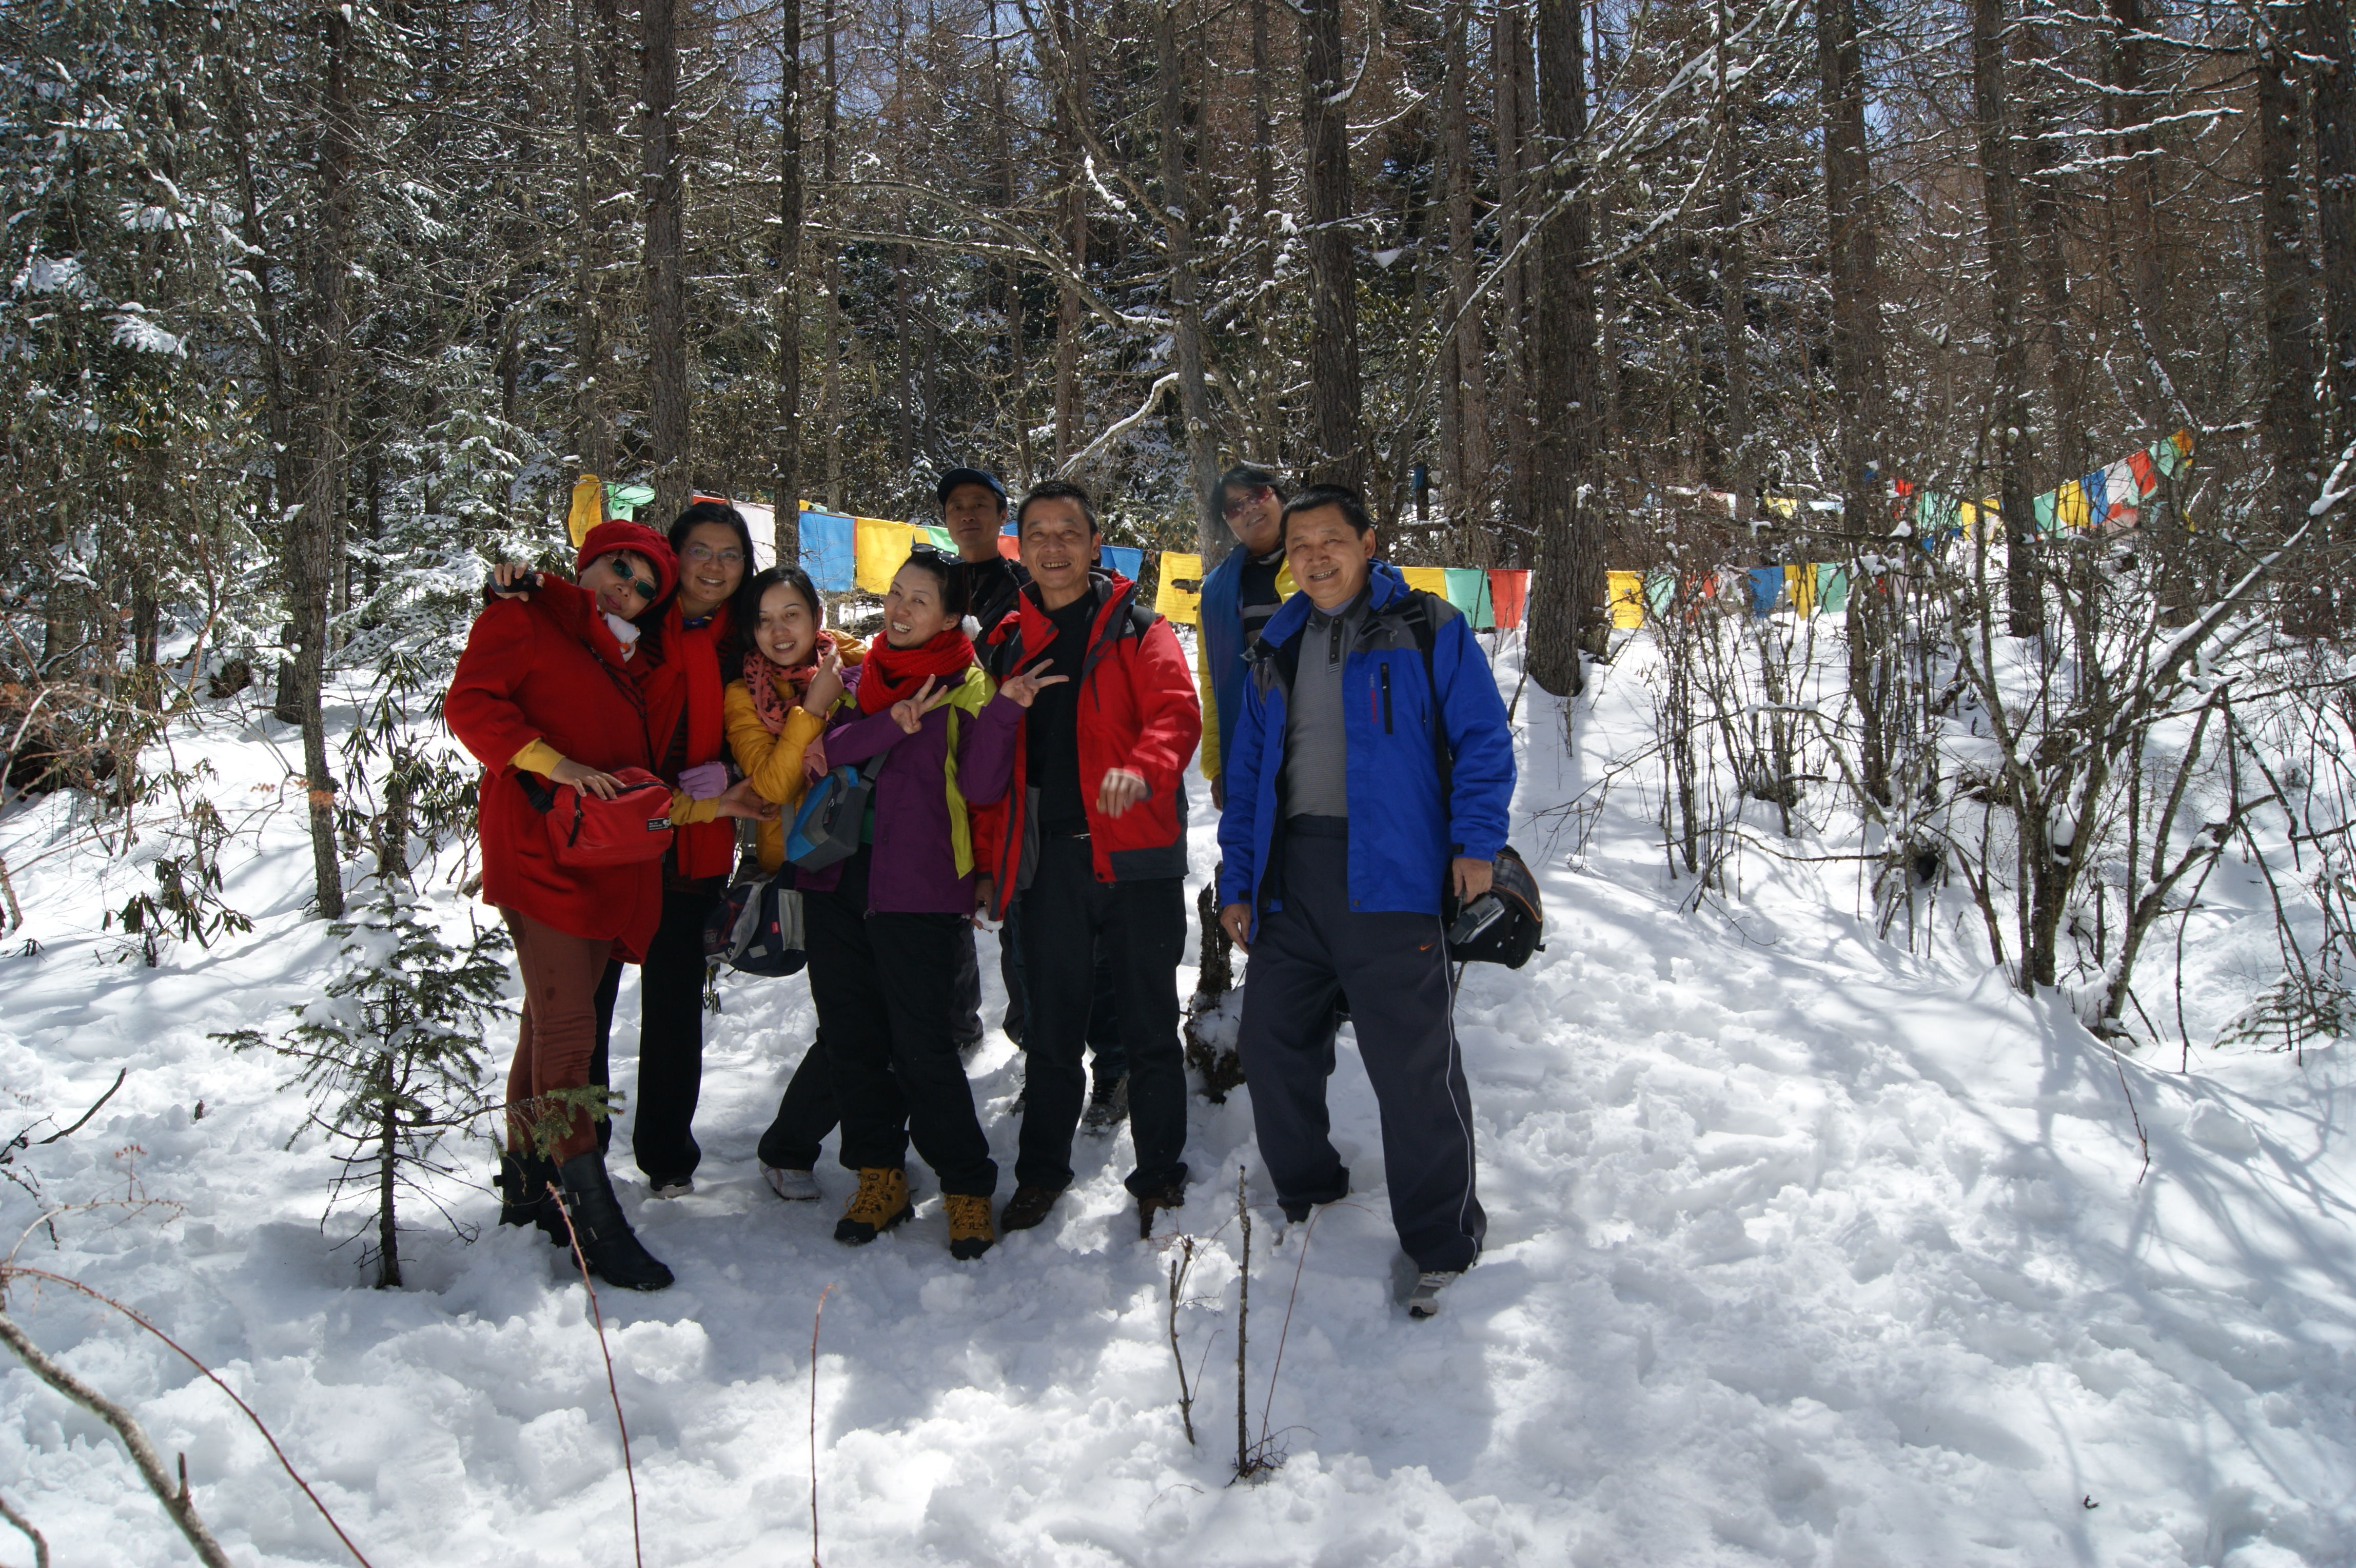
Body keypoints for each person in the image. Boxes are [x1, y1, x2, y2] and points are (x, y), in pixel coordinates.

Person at [1214, 484, 1516, 1320]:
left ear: (1367, 542)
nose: (1314, 555)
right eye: (1301, 543)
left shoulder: (1426, 628)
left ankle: (1443, 1241)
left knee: (1412, 1071)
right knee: (1271, 1046)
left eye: (1331, 539)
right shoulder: (1275, 642)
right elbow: (1245, 778)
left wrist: (1475, 845)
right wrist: (1237, 880)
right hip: (1292, 881)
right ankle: (1311, 1197)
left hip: (1394, 876)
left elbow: (1484, 741)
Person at [449, 520, 768, 1291]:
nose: (627, 589)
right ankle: (596, 1224)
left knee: (540, 1037)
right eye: (619, 571)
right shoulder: (523, 615)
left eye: (642, 587)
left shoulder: (623, 655)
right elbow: (473, 707)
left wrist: (715, 804)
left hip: (598, 863)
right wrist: (556, 769)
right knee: (567, 1037)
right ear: (590, 562)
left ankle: (529, 1199)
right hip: (539, 855)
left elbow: (631, 791)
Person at [801, 549, 1055, 1260]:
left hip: (920, 889)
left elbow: (979, 788)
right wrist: (895, 723)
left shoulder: (970, 687)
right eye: (895, 595)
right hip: (838, 880)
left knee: (924, 1048)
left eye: (920, 600)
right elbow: (828, 747)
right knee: (852, 1040)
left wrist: (1004, 713)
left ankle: (967, 1182)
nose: (901, 610)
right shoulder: (860, 672)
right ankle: (878, 1175)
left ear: (950, 616)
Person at [974, 481, 1203, 1238]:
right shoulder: (1006, 640)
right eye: (1036, 532)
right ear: (1020, 547)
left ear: (1096, 543)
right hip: (1049, 869)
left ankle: (1161, 1176)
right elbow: (980, 760)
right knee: (1052, 1034)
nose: (1052, 546)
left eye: (1068, 532)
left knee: (1148, 1026)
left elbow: (1177, 713)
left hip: (1137, 859)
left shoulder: (1140, 627)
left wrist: (1143, 766)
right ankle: (1041, 1173)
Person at [937, 465, 1126, 1114]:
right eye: (956, 507)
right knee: (1023, 944)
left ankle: (1107, 1064)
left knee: (1081, 949)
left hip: (1059, 790)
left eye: (981, 506)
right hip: (981, 778)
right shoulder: (940, 581)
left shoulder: (1029, 589)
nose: (969, 517)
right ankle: (1040, 1053)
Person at [621, 499, 761, 1198]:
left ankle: (667, 1156)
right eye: (701, 551)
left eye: (730, 554)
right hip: (617, 836)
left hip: (699, 844)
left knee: (675, 1004)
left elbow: (792, 710)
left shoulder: (751, 636)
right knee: (581, 1008)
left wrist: (736, 776)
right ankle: (566, 1155)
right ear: (674, 557)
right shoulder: (638, 624)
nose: (715, 566)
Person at [722, 566, 863, 1201]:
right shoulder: (743, 695)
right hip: (809, 870)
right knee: (848, 1017)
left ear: (816, 615)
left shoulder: (858, 663)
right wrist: (813, 705)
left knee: (891, 1012)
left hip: (880, 859)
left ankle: (870, 1148)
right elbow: (774, 785)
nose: (779, 632)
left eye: (792, 615)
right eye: (764, 619)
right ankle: (789, 1146)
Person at [1195, 464, 1295, 809]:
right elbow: (1213, 683)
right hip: (1255, 742)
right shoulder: (1218, 592)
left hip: (1328, 732)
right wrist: (1217, 764)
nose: (1249, 508)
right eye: (1235, 507)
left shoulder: (1322, 562)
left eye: (1257, 494)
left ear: (1280, 497)